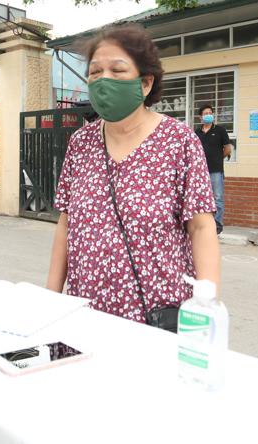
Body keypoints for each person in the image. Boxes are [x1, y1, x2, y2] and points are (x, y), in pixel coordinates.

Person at [46, 25, 221, 325]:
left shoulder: (179, 141)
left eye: (117, 70)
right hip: (84, 315)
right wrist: (49, 299)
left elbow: (202, 229)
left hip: (155, 317)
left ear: (145, 83)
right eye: (95, 72)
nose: (103, 81)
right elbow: (66, 225)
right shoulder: (80, 143)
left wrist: (207, 309)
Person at [195, 104, 233, 235]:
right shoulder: (197, 133)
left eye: (210, 113)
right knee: (202, 198)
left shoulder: (220, 131)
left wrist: (217, 158)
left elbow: (228, 149)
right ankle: (204, 222)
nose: (208, 115)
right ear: (200, 117)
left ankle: (218, 223)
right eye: (205, 113)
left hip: (216, 170)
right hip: (201, 171)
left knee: (217, 198)